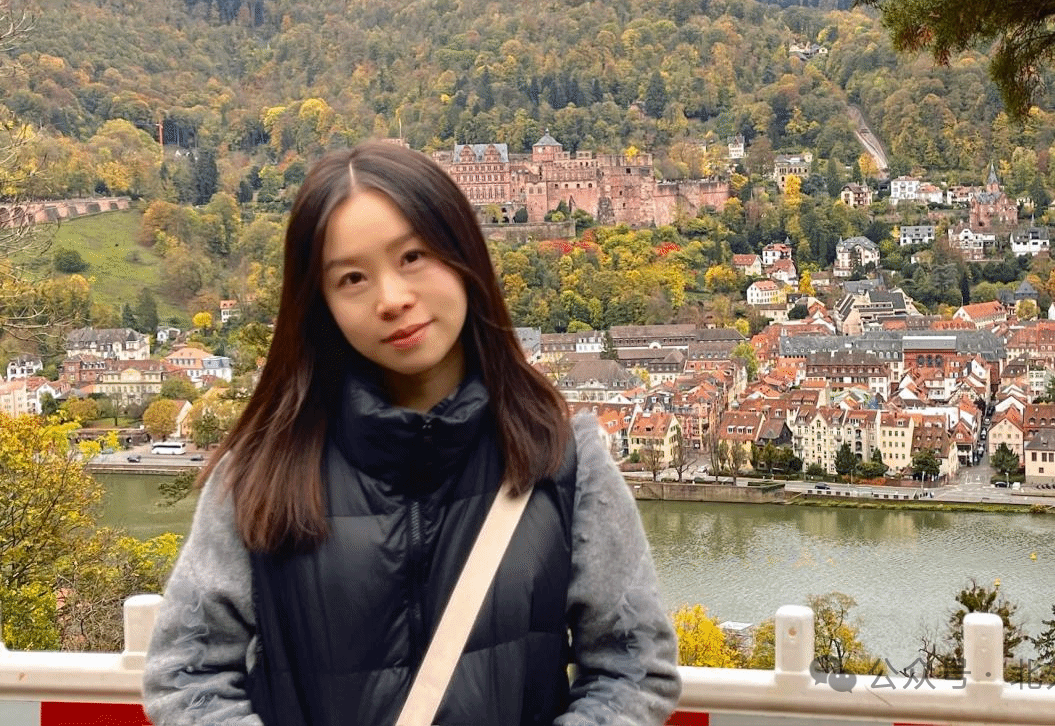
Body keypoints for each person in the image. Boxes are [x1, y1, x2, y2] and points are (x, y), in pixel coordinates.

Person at [143, 141, 681, 726]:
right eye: (352, 277)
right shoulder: (261, 471)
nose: (393, 299)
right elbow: (186, 676)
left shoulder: (564, 460)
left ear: (463, 253)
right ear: (320, 302)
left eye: (413, 256)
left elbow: (632, 669)